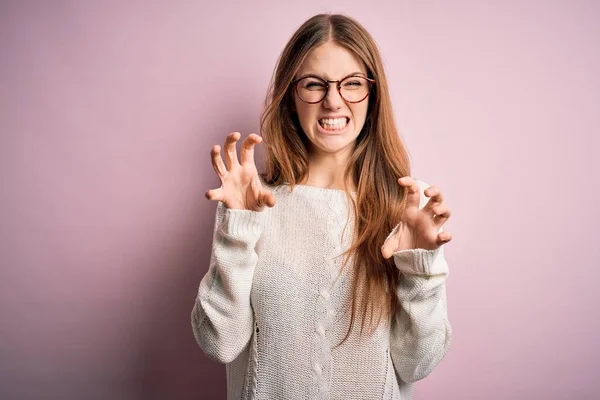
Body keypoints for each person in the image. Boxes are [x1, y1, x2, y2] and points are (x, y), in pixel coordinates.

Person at [191, 13, 453, 400]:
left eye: (352, 84)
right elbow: (219, 344)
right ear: (291, 96)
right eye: (314, 84)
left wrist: (421, 269)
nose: (333, 101)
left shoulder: (407, 208)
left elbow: (418, 363)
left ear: (373, 94)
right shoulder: (254, 203)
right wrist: (236, 230)